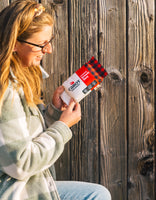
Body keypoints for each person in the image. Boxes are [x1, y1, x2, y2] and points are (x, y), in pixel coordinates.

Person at [0, 0, 111, 199]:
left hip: (32, 185)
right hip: (17, 192)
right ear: (15, 44)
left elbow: (28, 140)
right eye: (41, 44)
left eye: (50, 40)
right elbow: (22, 164)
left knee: (97, 193)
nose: (49, 49)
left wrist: (54, 111)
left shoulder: (21, 77)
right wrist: (63, 126)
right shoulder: (6, 89)